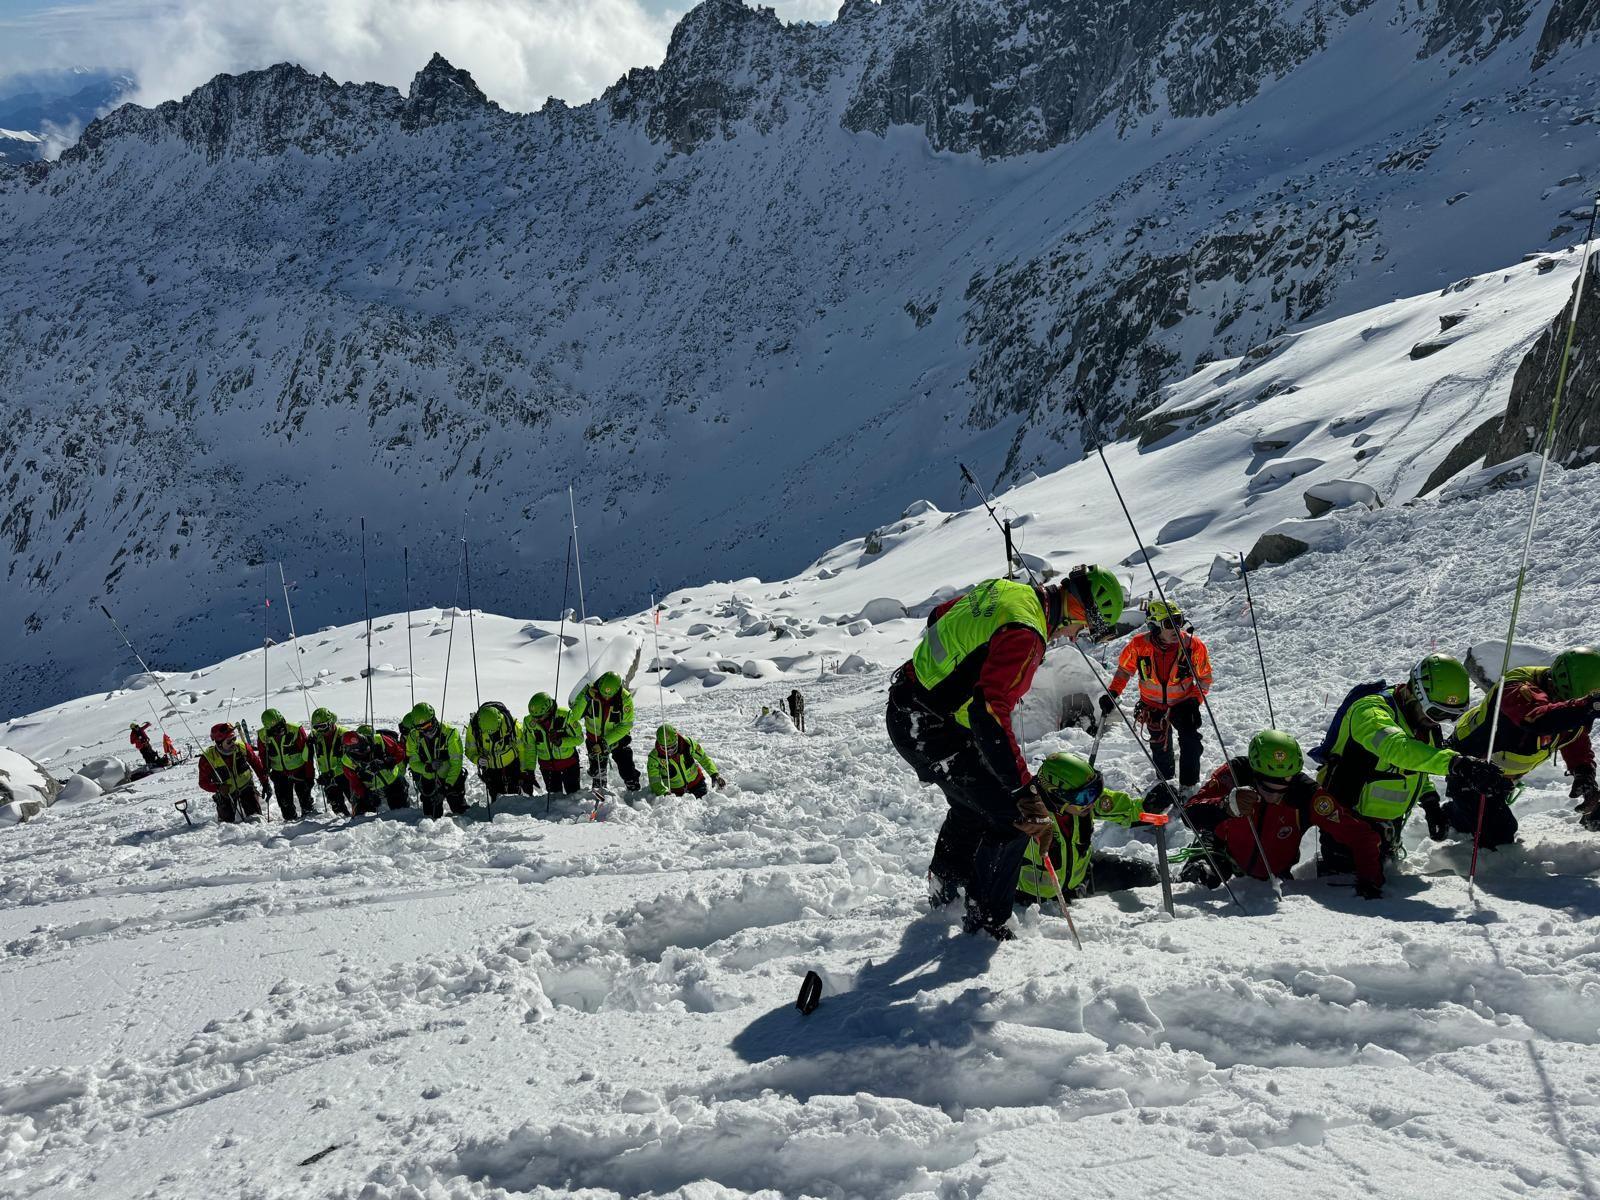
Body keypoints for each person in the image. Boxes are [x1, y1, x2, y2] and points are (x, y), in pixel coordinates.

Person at [883, 564, 1126, 939]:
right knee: (1012, 817)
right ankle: (986, 924)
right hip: (927, 726)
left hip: (918, 709)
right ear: (1080, 611)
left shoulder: (1010, 592)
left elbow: (940, 616)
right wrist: (1023, 791)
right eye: (1085, 628)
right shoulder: (1027, 635)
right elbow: (989, 713)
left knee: (972, 805)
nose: (1078, 635)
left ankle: (947, 891)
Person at [1316, 653, 1507, 873]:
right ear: (1414, 692)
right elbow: (1396, 749)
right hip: (1346, 824)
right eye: (1436, 712)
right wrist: (1457, 763)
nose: (1438, 721)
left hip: (1387, 827)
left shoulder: (1423, 724)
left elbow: (1416, 765)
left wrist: (1429, 801)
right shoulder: (1369, 712)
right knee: (1348, 891)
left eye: (1450, 716)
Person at [1182, 729, 1384, 897]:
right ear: (1255, 774)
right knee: (1194, 884)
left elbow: (1360, 835)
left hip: (1275, 873)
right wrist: (1224, 806)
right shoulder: (1235, 773)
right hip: (1222, 852)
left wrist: (1369, 879)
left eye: (1282, 789)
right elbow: (1189, 813)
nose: (1274, 796)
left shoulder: (1307, 794)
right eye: (1267, 788)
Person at [1447, 646, 1600, 842]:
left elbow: (1573, 733)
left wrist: (1584, 771)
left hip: (1501, 775)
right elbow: (1539, 719)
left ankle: (1460, 815)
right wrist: (1587, 706)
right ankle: (1453, 815)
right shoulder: (1516, 686)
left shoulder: (1569, 706)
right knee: (1500, 833)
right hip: (1471, 768)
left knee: (1489, 818)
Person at [1016, 752, 1166, 909]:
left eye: (1096, 790)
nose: (1092, 801)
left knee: (1148, 873)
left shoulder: (1084, 803)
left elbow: (1125, 809)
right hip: (1035, 902)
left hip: (1082, 878)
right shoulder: (1025, 815)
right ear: (1057, 795)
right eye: (1085, 796)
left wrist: (1148, 806)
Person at [1099, 599, 1211, 793]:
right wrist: (1113, 692)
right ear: (1155, 626)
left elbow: (1204, 678)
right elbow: (1125, 670)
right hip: (1152, 707)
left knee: (1191, 743)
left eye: (1178, 620)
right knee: (1160, 748)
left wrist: (1194, 701)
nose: (1176, 628)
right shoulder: (1138, 645)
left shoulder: (1193, 646)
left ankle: (1188, 786)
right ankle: (1165, 784)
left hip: (1184, 705)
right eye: (1169, 623)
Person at [573, 672, 643, 790]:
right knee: (598, 772)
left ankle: (633, 788)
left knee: (627, 768)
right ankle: (599, 788)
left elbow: (626, 724)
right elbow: (574, 716)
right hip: (594, 738)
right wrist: (586, 698)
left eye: (609, 695)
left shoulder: (624, 698)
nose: (605, 697)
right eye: (603, 694)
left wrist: (605, 743)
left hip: (617, 738)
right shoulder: (589, 691)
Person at [404, 702, 467, 819]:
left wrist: (446, 787)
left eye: (427, 725)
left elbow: (456, 764)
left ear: (434, 719)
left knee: (459, 810)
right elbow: (413, 763)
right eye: (420, 728)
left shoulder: (450, 733)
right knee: (430, 815)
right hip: (428, 777)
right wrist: (427, 767)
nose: (425, 730)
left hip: (450, 777)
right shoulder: (413, 737)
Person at [197, 721, 268, 823]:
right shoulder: (207, 759)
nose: (233, 743)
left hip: (246, 787)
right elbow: (203, 782)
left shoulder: (242, 747)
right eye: (229, 741)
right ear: (219, 744)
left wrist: (265, 782)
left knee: (256, 819)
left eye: (234, 739)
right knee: (226, 823)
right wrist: (218, 788)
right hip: (226, 793)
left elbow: (256, 764)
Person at [255, 708, 318, 820]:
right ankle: (291, 824)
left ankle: (309, 822)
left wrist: (310, 776)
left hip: (299, 770)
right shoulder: (262, 735)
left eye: (281, 726)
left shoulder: (295, 729)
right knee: (285, 805)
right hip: (279, 774)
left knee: (306, 802)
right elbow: (262, 755)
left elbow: (307, 755)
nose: (280, 731)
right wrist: (266, 772)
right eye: (275, 730)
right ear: (268, 729)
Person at [520, 693, 584, 795]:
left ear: (549, 710)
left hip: (569, 765)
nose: (536, 720)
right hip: (547, 768)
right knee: (555, 800)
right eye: (534, 717)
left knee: (573, 796)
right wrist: (530, 771)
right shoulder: (528, 722)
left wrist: (561, 741)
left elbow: (580, 739)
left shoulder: (565, 716)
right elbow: (530, 748)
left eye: (539, 717)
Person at [341, 725, 410, 814]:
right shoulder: (347, 761)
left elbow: (400, 753)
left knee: (402, 813)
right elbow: (355, 783)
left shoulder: (381, 739)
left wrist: (387, 762)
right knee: (361, 820)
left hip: (393, 782)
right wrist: (367, 795)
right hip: (370, 790)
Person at [465, 702, 524, 802]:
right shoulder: (474, 728)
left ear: (500, 720)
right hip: (490, 768)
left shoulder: (512, 725)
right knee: (495, 795)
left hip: (512, 763)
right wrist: (478, 759)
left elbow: (523, 749)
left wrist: (524, 771)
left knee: (514, 794)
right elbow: (470, 750)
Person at [647, 724, 725, 798]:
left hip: (697, 784)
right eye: (666, 748)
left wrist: (714, 774)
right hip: (674, 792)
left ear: (677, 740)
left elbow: (703, 758)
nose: (670, 751)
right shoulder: (654, 758)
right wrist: (664, 793)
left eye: (673, 747)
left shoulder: (688, 743)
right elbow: (654, 781)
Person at [309, 707, 353, 816]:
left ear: (330, 722)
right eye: (316, 728)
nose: (320, 731)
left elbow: (351, 759)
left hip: (346, 776)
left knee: (358, 804)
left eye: (323, 726)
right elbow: (306, 757)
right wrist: (308, 746)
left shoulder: (344, 735)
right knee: (338, 809)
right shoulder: (316, 737)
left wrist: (333, 772)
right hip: (327, 778)